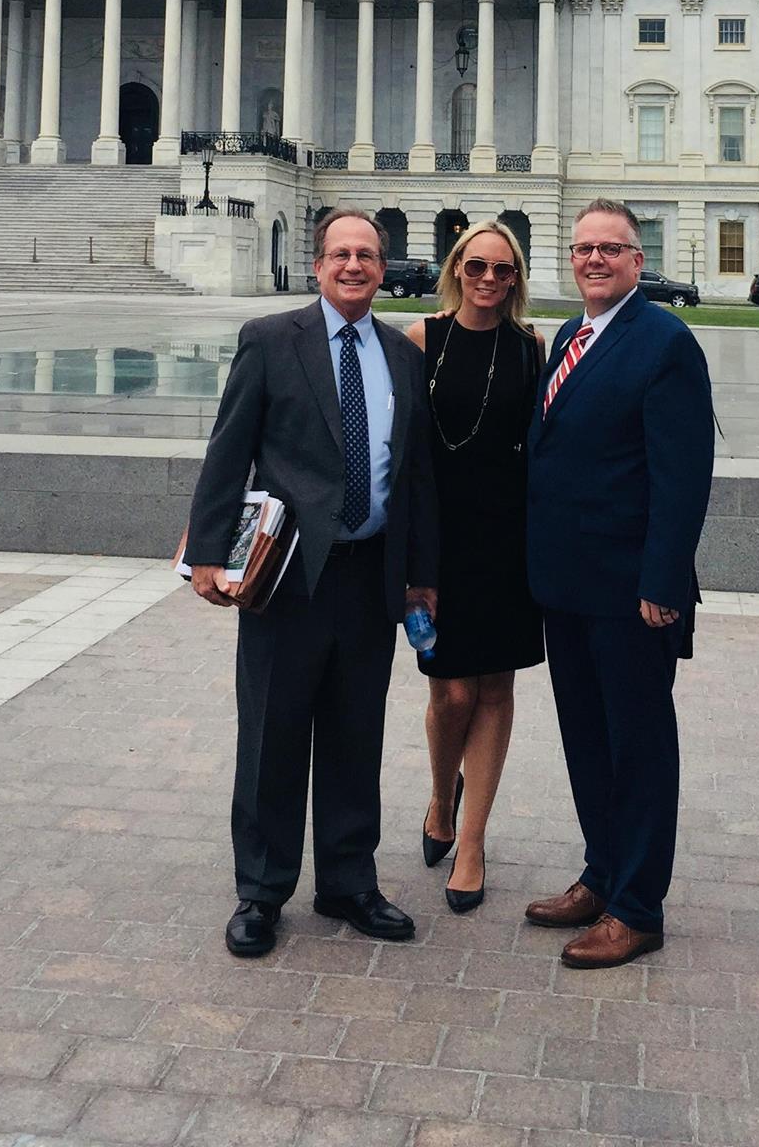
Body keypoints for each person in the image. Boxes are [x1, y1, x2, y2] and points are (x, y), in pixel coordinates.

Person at [184, 206, 438, 959]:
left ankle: (349, 880)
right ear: (319, 264)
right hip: (288, 576)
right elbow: (228, 453)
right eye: (340, 254)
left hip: (370, 576)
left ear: (382, 269)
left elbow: (414, 475)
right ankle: (261, 891)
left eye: (367, 255)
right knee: (272, 733)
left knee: (357, 733)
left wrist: (421, 577)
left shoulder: (402, 355)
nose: (354, 266)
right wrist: (209, 552)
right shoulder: (270, 341)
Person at [524, 199, 715, 970]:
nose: (595, 259)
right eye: (583, 248)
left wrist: (662, 581)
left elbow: (683, 476)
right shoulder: (571, 335)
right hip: (568, 586)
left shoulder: (664, 342)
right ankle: (602, 873)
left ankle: (638, 907)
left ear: (639, 260)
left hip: (632, 590)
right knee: (587, 741)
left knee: (637, 747)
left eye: (611, 248)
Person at [405, 220, 546, 915]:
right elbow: (399, 452)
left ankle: (473, 842)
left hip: (508, 542)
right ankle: (440, 797)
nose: (489, 279)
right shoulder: (420, 340)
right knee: (450, 695)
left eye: (503, 270)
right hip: (438, 541)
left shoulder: (531, 348)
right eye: (477, 266)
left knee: (494, 691)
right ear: (457, 267)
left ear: (516, 278)